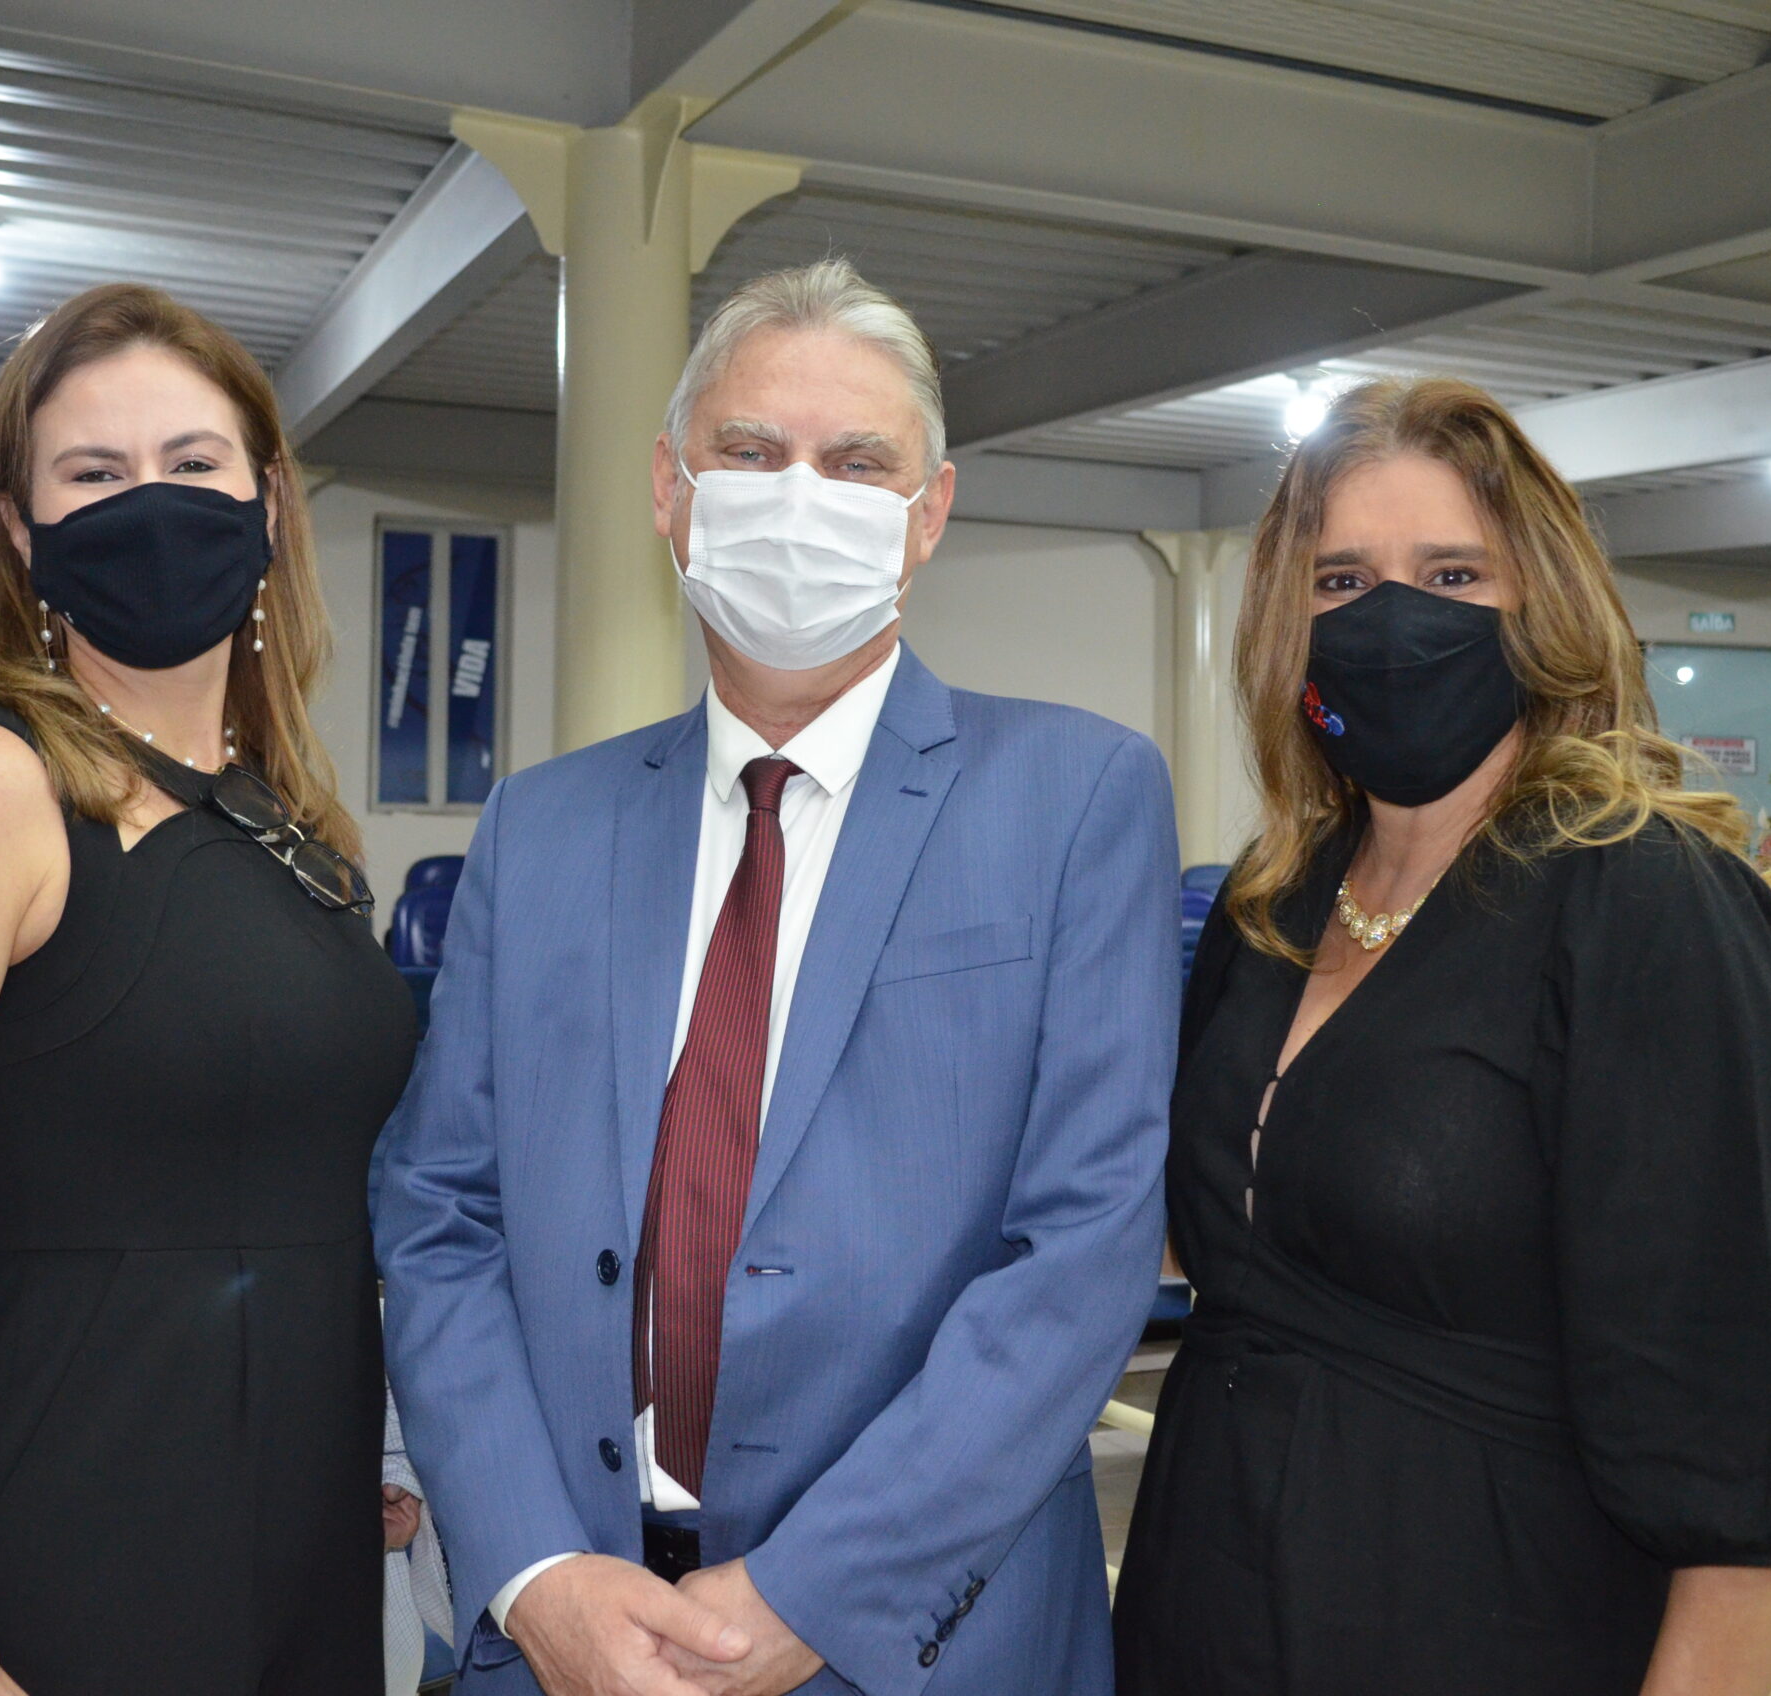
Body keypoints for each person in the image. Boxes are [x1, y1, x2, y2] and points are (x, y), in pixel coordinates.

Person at [376, 258, 1179, 1696]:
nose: (800, 497)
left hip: (924, 1637)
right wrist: (535, 1573)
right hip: (571, 1622)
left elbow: (1081, 1254)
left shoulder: (1075, 798)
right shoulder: (541, 827)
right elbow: (441, 1211)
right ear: (669, 489)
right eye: (749, 452)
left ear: (928, 513)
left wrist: (815, 1593)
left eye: (856, 462)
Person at [1111, 377, 1771, 1696]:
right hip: (1205, 1605)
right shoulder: (1274, 903)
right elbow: (1220, 1221)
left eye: (1452, 574)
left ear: (1544, 607)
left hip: (1492, 1619)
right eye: (1342, 580)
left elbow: (1752, 1440)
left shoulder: (1646, 904)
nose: (1393, 616)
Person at [0, 283, 419, 1696]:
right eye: (95, 474)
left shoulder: (289, 820)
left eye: (193, 462)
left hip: (305, 1540)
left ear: (270, 502)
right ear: (19, 529)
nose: (151, 503)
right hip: (81, 1545)